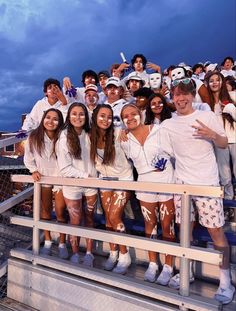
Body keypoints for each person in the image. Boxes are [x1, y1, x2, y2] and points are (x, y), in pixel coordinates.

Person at [158, 78, 235, 304]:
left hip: (207, 183)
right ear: (172, 98)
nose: (180, 99)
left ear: (192, 96)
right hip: (183, 186)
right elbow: (165, 153)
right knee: (185, 231)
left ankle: (225, 281)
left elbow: (222, 143)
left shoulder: (208, 116)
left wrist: (211, 134)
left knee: (216, 233)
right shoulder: (167, 125)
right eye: (176, 95)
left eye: (185, 94)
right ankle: (187, 272)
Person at [120, 104, 176, 284]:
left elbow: (173, 152)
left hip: (166, 182)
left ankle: (168, 266)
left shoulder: (159, 130)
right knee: (149, 225)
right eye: (125, 116)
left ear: (141, 114)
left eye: (133, 114)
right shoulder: (124, 140)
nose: (129, 118)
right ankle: (153, 263)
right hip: (144, 185)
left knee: (167, 226)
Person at [90, 104, 133, 274]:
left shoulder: (118, 132)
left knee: (115, 215)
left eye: (109, 117)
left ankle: (125, 255)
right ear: (95, 117)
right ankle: (113, 252)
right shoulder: (89, 137)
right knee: (109, 217)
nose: (106, 120)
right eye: (102, 116)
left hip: (123, 179)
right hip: (105, 179)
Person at [56, 102, 98, 266]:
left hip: (91, 183)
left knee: (89, 218)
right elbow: (65, 168)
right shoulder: (64, 136)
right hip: (73, 183)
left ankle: (89, 253)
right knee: (75, 219)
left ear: (86, 117)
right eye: (74, 113)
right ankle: (75, 253)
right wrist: (86, 175)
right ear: (69, 116)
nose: (78, 117)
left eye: (81, 114)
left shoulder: (90, 133)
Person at [24, 108, 69, 259]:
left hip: (60, 178)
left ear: (60, 122)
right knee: (45, 211)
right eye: (48, 117)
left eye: (55, 118)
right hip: (43, 178)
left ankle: (62, 243)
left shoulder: (63, 137)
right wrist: (33, 170)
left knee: (61, 211)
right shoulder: (34, 137)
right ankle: (48, 241)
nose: (51, 121)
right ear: (43, 118)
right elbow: (29, 157)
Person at [205, 71, 236, 199]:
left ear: (222, 82)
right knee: (225, 175)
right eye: (211, 81)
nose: (215, 83)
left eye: (217, 80)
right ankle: (229, 201)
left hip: (234, 139)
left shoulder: (232, 96)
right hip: (219, 141)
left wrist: (229, 107)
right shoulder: (207, 102)